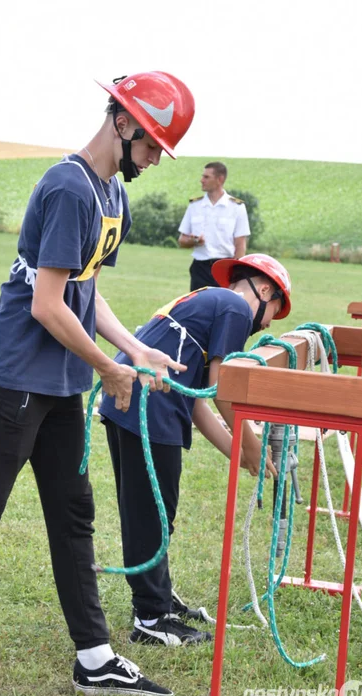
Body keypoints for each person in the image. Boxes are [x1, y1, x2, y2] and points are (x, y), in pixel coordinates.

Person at [0, 71, 195, 696]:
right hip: (12, 377)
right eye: (151, 145)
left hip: (57, 382)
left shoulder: (110, 190)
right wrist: (109, 369)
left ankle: (93, 659)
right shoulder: (69, 186)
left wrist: (136, 349)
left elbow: (86, 291)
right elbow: (46, 304)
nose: (152, 159)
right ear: (122, 122)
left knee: (73, 515)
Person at [99, 253, 291, 646]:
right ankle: (151, 619)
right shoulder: (237, 308)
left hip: (133, 404)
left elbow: (199, 402)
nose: (269, 323)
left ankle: (159, 600)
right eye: (274, 311)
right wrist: (252, 446)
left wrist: (243, 455)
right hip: (147, 407)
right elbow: (223, 390)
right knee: (152, 515)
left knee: (151, 512)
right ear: (264, 290)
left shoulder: (211, 300)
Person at [178, 162, 250, 291]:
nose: (201, 180)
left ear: (220, 179)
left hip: (225, 268)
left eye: (206, 177)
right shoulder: (195, 206)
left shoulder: (236, 207)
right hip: (200, 268)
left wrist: (237, 273)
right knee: (199, 308)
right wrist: (194, 240)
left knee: (223, 308)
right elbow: (182, 241)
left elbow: (240, 245)